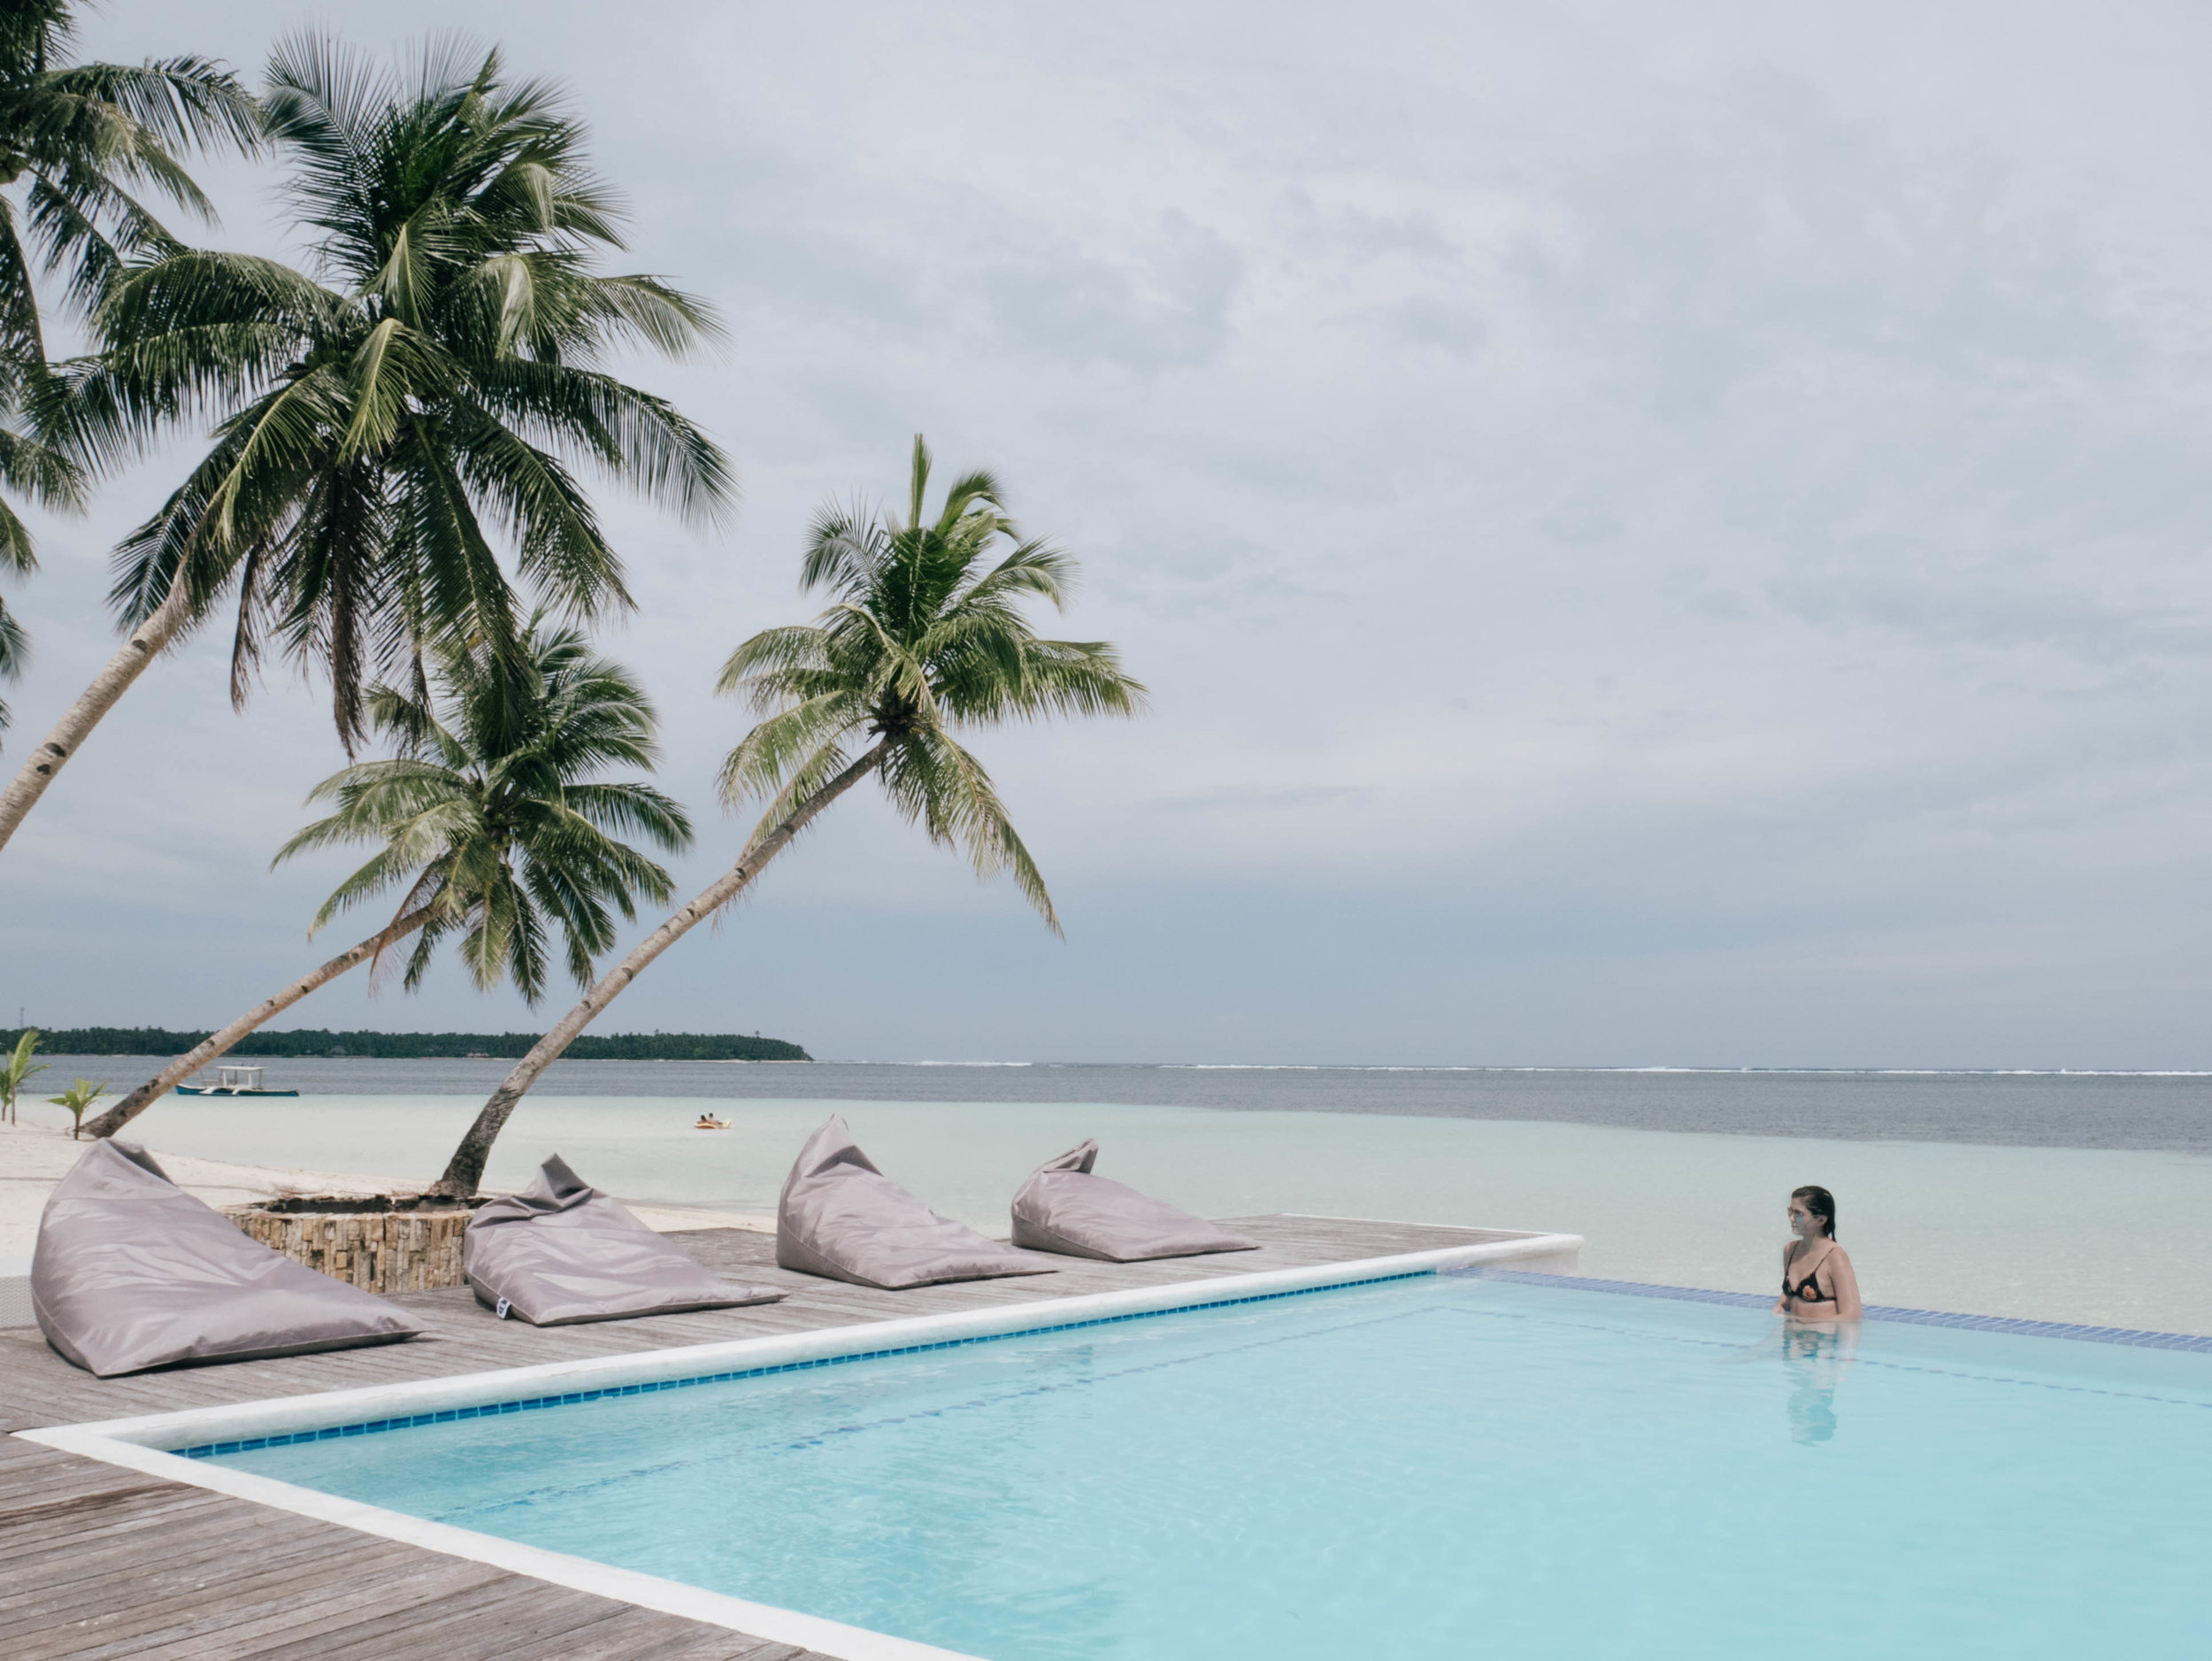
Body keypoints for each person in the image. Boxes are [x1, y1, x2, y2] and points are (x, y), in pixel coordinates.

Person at [1774, 1184, 1862, 1320]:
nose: (1791, 1218)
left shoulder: (1834, 1256)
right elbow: (1790, 1294)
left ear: (1820, 1220)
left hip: (1823, 1339)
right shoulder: (1790, 1250)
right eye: (1790, 1212)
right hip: (1793, 1337)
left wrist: (1814, 1328)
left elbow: (1852, 1316)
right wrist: (1780, 1305)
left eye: (1798, 1214)